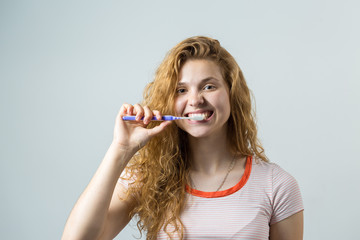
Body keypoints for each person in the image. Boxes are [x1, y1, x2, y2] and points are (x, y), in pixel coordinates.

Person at [62, 36, 304, 240]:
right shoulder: (148, 177)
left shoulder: (277, 186)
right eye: (181, 90)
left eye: (209, 86)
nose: (195, 99)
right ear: (169, 101)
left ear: (232, 94)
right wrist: (121, 149)